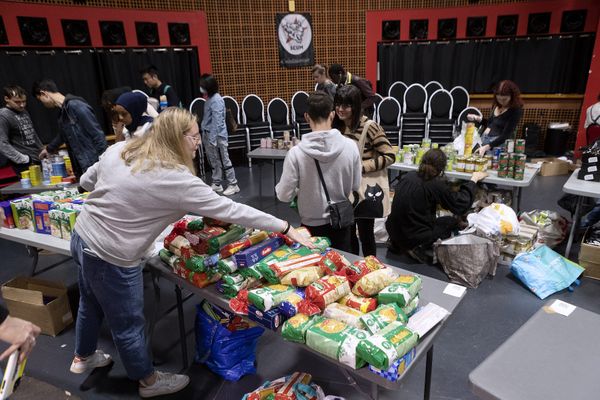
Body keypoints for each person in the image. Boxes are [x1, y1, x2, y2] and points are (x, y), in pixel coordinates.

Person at [69, 107, 311, 398]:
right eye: (195, 137)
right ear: (177, 138)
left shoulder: (122, 149)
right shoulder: (176, 179)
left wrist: (123, 203)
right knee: (128, 323)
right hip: (112, 255)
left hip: (81, 235)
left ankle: (83, 357)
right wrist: (284, 226)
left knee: (90, 301)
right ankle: (147, 381)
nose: (199, 142)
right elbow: (233, 210)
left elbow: (87, 180)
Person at [276, 91, 361, 252]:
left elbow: (283, 195)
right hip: (341, 222)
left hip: (310, 228)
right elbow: (356, 185)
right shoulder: (351, 146)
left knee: (317, 272)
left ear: (307, 117)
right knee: (342, 271)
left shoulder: (296, 153)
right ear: (333, 115)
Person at [386, 149, 488, 263]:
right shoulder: (435, 183)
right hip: (414, 236)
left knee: (413, 218)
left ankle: (399, 244)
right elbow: (459, 204)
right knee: (450, 221)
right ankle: (418, 247)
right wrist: (473, 180)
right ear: (442, 168)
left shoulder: (408, 176)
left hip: (393, 230)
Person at [332, 85, 395, 256]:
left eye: (345, 105)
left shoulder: (370, 127)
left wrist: (362, 167)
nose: (340, 109)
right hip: (343, 190)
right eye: (337, 104)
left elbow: (389, 155)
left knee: (366, 235)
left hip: (364, 189)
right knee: (348, 234)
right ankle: (354, 269)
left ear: (355, 106)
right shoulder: (336, 127)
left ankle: (371, 271)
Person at [32, 79, 107, 178]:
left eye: (39, 99)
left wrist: (104, 161)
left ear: (44, 94)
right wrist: (48, 149)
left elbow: (97, 134)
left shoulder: (76, 105)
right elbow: (63, 135)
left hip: (93, 163)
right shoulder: (63, 112)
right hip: (81, 165)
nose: (43, 104)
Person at [199, 73, 240, 196]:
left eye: (203, 86)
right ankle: (217, 183)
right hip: (208, 134)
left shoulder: (216, 100)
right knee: (214, 160)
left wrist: (212, 138)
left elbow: (218, 121)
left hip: (217, 136)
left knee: (224, 159)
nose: (201, 88)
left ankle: (233, 184)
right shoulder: (209, 99)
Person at [468, 80, 524, 157]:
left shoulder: (516, 110)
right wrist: (478, 118)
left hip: (497, 145)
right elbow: (490, 124)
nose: (501, 102)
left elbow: (506, 135)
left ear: (512, 97)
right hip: (485, 141)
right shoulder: (497, 105)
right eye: (499, 99)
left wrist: (487, 147)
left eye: (504, 100)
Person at [0, 85, 43, 174]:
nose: (22, 105)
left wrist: (42, 149)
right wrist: (24, 159)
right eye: (17, 102)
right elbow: (2, 143)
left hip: (37, 158)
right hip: (24, 163)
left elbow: (32, 133)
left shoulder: (23, 111)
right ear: (6, 99)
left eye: (24, 101)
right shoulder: (3, 116)